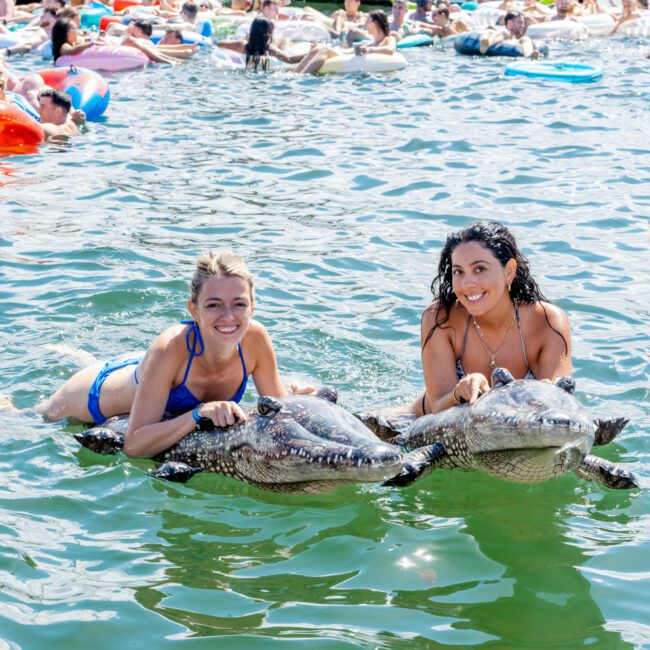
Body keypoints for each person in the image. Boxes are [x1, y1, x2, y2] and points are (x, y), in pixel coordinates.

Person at [37, 250, 314, 458]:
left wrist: (303, 404)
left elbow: (279, 414)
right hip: (92, 396)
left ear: (252, 306)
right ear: (194, 310)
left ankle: (67, 354)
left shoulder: (256, 339)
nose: (228, 316)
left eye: (239, 304)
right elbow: (134, 445)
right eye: (214, 305)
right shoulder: (170, 346)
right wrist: (198, 413)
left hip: (149, 376)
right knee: (26, 417)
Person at [413, 221, 571, 416]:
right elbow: (437, 407)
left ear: (509, 271)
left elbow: (560, 408)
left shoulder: (548, 322)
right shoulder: (439, 319)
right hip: (415, 424)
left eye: (479, 269)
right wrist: (459, 393)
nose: (467, 284)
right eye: (458, 272)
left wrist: (545, 395)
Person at [297, 10, 396, 74]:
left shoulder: (388, 38)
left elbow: (390, 50)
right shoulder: (371, 42)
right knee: (318, 48)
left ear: (376, 23)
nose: (365, 24)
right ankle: (295, 73)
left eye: (368, 21)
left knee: (325, 51)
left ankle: (302, 75)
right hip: (349, 57)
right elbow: (349, 51)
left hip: (361, 62)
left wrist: (369, 49)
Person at [217, 16, 305, 69]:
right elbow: (289, 60)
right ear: (268, 33)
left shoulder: (242, 45)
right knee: (285, 40)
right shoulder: (269, 48)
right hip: (266, 69)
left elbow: (220, 43)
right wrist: (308, 54)